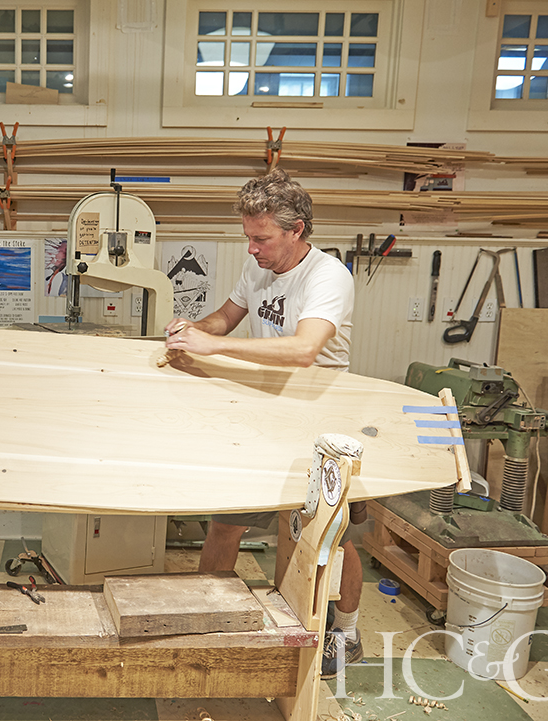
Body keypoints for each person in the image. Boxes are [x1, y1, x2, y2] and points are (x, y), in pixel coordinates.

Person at [164, 168, 362, 679]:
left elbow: (304, 350)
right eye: (248, 237)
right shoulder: (258, 266)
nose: (252, 248)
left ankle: (347, 630)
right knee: (225, 523)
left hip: (321, 420)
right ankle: (205, 619)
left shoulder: (328, 276)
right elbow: (224, 318)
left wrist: (213, 347)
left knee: (327, 535)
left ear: (296, 231)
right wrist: (191, 330)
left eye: (262, 239)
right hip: (265, 415)